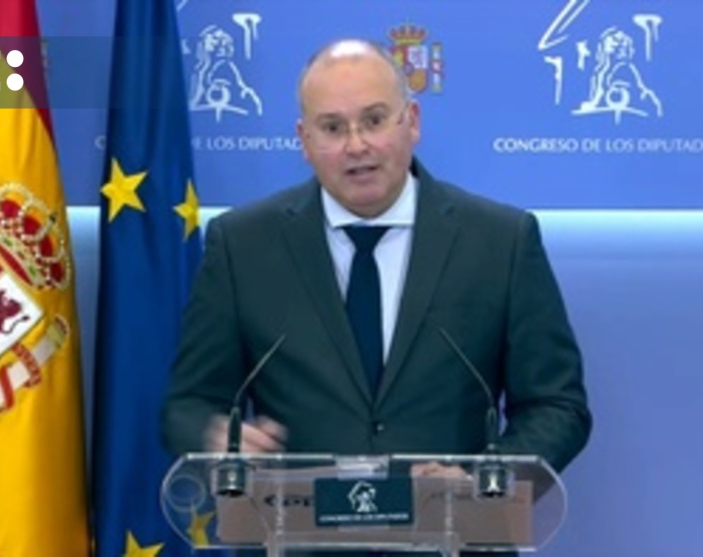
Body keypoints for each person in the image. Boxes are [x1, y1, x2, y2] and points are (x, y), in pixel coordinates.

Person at [162, 38, 591, 475]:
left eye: (374, 120)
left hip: (449, 517)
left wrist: (483, 482)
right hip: (295, 516)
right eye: (332, 128)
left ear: (412, 122)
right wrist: (214, 438)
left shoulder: (501, 241)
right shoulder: (243, 245)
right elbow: (188, 405)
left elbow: (556, 406)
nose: (356, 145)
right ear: (304, 140)